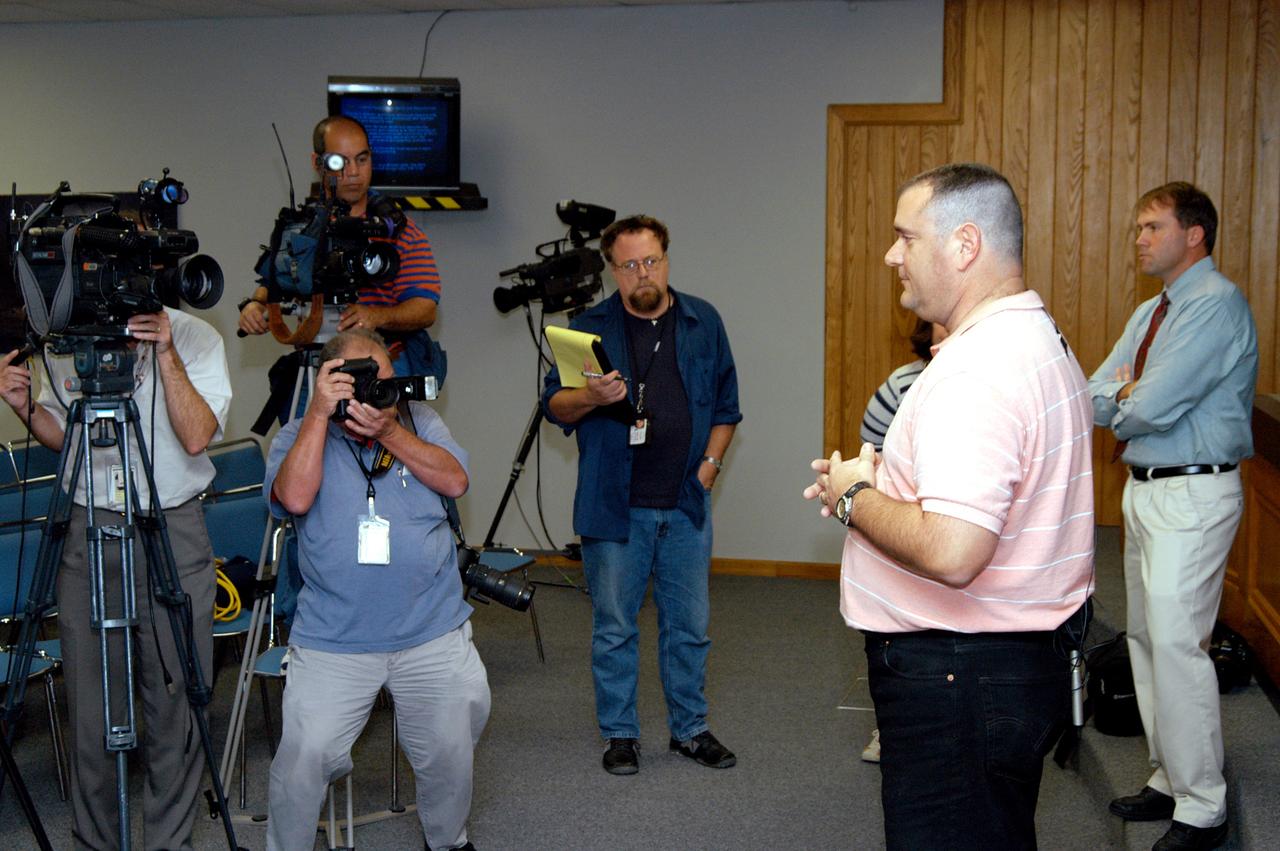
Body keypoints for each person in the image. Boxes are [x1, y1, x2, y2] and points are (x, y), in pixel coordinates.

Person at [804, 163, 1094, 850]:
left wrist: (853, 494)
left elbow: (955, 550)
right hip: (1004, 661)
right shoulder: (1034, 337)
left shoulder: (976, 369)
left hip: (962, 675)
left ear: (964, 246)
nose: (891, 255)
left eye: (906, 237)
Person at [1, 307, 231, 851]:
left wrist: (167, 353)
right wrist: (26, 406)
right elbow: (67, 437)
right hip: (88, 519)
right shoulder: (64, 336)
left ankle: (167, 844)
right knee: (91, 702)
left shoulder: (196, 336)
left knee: (175, 695)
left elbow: (197, 435)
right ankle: (94, 842)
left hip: (171, 519)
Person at [263, 328, 489, 851]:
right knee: (305, 756)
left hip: (429, 628)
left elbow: (455, 481)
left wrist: (389, 432)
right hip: (333, 638)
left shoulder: (420, 422)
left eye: (385, 378)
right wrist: (319, 416)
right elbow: (294, 498)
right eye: (363, 381)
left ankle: (448, 842)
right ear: (330, 381)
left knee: (451, 748)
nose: (379, 391)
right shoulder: (296, 433)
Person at [1088, 182, 1256, 851]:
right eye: (1137, 227)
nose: (1140, 237)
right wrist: (1122, 392)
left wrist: (1125, 393)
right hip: (1146, 488)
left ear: (1195, 234)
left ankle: (1204, 802)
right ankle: (1170, 775)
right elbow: (1092, 389)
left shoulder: (1215, 305)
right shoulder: (1151, 309)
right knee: (1143, 639)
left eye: (1152, 226)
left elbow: (1149, 406)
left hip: (1193, 492)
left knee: (1179, 645)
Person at [542, 214, 742, 776]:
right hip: (614, 505)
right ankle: (620, 733)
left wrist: (707, 470)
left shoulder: (704, 321)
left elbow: (727, 407)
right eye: (628, 265)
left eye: (650, 260)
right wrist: (590, 397)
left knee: (690, 626)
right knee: (615, 626)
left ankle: (690, 729)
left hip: (684, 502)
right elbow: (554, 407)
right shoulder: (586, 329)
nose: (641, 273)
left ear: (667, 259)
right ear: (613, 270)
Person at [238, 114, 443, 378]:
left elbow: (425, 309)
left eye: (362, 159)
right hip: (315, 364)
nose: (353, 172)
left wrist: (375, 317)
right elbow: (277, 280)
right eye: (339, 162)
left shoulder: (398, 231)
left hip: (380, 363)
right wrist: (256, 305)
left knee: (382, 419)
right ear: (318, 163)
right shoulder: (303, 231)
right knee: (302, 418)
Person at [855, 316, 944, 764]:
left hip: (958, 526)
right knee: (901, 633)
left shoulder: (988, 375)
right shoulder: (900, 386)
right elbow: (868, 460)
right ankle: (889, 727)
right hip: (906, 524)